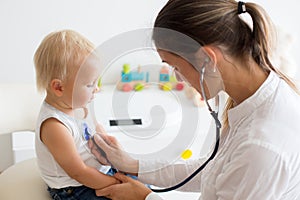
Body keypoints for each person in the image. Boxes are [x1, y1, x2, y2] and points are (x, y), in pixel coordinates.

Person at [90, 0, 300, 199]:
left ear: (207, 59)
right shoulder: (256, 97)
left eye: (175, 66)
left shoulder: (261, 146)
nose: (176, 77)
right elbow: (215, 171)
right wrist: (133, 164)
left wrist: (144, 198)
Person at [34, 29, 120, 200]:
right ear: (59, 87)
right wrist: (115, 184)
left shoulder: (80, 105)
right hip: (74, 188)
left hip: (96, 173)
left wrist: (108, 147)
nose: (97, 89)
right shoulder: (55, 126)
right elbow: (78, 172)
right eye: (90, 85)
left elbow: (96, 128)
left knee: (142, 188)